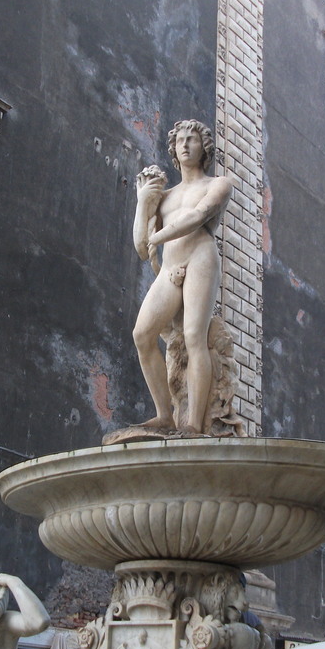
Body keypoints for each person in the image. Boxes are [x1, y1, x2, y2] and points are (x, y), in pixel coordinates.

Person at [131, 119, 233, 434]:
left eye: (192, 139)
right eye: (180, 141)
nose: (185, 145)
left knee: (193, 337)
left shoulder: (218, 184)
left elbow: (198, 216)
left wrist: (158, 239)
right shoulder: (165, 196)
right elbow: (140, 248)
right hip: (171, 267)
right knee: (142, 335)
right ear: (174, 150)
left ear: (205, 148)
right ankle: (164, 416)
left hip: (200, 256)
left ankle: (193, 424)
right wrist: (143, 203)